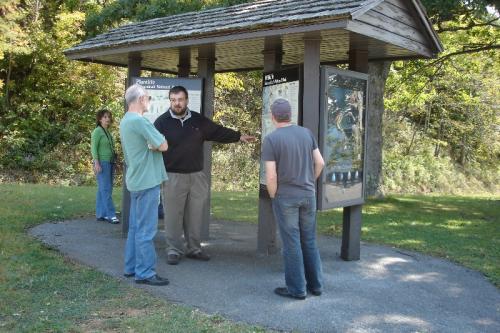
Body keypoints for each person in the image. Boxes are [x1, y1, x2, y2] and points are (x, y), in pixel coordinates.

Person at [154, 85, 255, 265]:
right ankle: (174, 249)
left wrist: (238, 136)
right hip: (173, 177)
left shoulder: (199, 121)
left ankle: (194, 248)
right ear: (170, 101)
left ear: (186, 100)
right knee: (172, 216)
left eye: (180, 99)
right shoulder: (161, 122)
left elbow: (217, 131)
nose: (177, 103)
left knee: (195, 215)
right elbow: (152, 145)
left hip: (196, 176)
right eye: (173, 100)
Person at [262, 98, 325, 300]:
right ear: (291, 115)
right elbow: (320, 162)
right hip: (308, 195)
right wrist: (309, 181)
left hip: (285, 198)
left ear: (273, 117)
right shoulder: (306, 133)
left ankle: (297, 289)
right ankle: (316, 286)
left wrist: (274, 195)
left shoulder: (271, 140)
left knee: (291, 244)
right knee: (309, 240)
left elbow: (271, 176)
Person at [120, 83, 170, 286]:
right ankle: (145, 272)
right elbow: (163, 145)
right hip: (148, 181)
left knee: (134, 227)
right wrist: (155, 144)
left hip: (135, 179)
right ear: (141, 99)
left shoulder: (125, 120)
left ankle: (130, 267)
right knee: (146, 230)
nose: (149, 101)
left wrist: (152, 145)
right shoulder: (140, 122)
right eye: (148, 98)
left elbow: (150, 145)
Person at [91, 109, 119, 224]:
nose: (108, 119)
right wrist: (96, 163)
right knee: (106, 189)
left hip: (110, 162)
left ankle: (101, 213)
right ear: (100, 119)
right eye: (105, 117)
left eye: (109, 117)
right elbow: (93, 148)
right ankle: (111, 214)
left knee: (103, 189)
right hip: (102, 163)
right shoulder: (97, 131)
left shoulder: (107, 132)